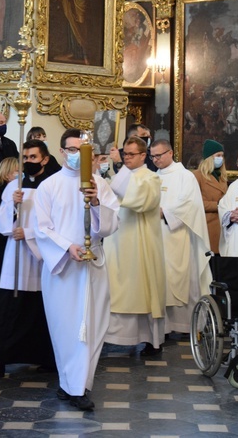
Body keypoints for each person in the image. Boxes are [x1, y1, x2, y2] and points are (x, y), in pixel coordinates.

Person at [34, 128, 119, 411]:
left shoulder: (100, 185)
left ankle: (79, 385)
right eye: (72, 150)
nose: (76, 155)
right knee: (65, 328)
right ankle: (70, 382)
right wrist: (67, 247)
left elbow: (111, 224)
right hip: (63, 268)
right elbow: (42, 229)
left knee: (93, 327)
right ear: (62, 152)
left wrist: (95, 202)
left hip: (93, 265)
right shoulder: (49, 186)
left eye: (82, 150)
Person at [0, 140, 56, 377]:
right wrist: (13, 205)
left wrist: (30, 233)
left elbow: (57, 223)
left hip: (41, 255)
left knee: (40, 310)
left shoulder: (52, 186)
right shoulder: (14, 186)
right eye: (25, 158)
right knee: (7, 308)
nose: (28, 162)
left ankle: (47, 359)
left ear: (45, 159)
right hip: (16, 254)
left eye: (33, 157)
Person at [103, 136, 166, 355]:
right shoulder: (120, 175)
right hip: (117, 238)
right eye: (125, 153)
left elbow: (142, 200)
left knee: (141, 288)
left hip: (141, 241)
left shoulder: (150, 178)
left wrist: (119, 172)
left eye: (131, 154)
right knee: (115, 286)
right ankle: (113, 336)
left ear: (143, 155)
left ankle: (150, 340)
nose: (127, 157)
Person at [150, 139, 211, 335]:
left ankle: (185, 326)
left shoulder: (186, 176)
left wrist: (163, 212)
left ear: (170, 153)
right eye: (153, 156)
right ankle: (161, 328)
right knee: (159, 281)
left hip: (177, 236)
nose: (156, 160)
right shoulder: (152, 177)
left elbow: (190, 205)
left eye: (159, 155)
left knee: (180, 280)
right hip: (155, 236)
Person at [194, 139, 228, 254]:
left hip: (222, 226)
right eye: (218, 155)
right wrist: (218, 205)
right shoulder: (197, 176)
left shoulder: (222, 177)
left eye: (222, 156)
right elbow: (195, 202)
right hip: (207, 226)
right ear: (209, 157)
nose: (221, 159)